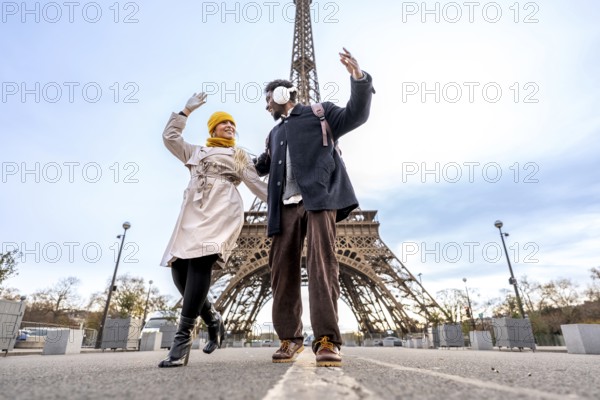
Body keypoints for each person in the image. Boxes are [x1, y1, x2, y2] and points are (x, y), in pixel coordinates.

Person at [254, 48, 375, 367]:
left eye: (269, 99)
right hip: (283, 207)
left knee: (323, 265)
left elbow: (356, 114)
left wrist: (358, 79)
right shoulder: (275, 132)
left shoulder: (321, 113)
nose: (267, 106)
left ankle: (326, 339)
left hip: (319, 200)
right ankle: (290, 339)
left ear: (282, 94)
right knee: (281, 272)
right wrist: (240, 161)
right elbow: (265, 166)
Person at [159, 92, 268, 368]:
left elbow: (256, 184)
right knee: (179, 271)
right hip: (194, 211)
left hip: (222, 209)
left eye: (232, 124)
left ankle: (181, 341)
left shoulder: (239, 156)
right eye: (224, 123)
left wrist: (288, 201)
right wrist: (185, 111)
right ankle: (212, 318)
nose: (230, 127)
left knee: (200, 265)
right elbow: (170, 138)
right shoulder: (197, 151)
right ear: (213, 128)